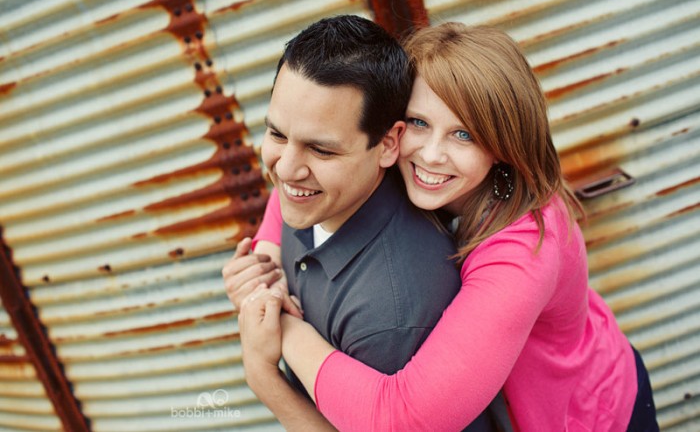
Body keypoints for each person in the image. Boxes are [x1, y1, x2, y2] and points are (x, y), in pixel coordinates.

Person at [232, 22, 659, 431]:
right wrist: (265, 259)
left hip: (588, 413)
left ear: (503, 146)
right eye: (420, 122)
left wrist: (280, 326)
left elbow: (401, 420)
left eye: (464, 135)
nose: (431, 154)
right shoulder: (399, 157)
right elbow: (301, 179)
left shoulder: (524, 250)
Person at [223, 16, 494, 431]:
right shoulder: (320, 193)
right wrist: (260, 272)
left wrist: (262, 375)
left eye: (321, 150)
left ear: (388, 144)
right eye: (277, 134)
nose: (286, 169)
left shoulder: (389, 319)